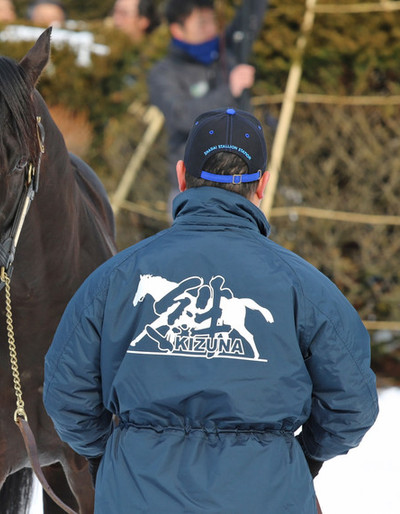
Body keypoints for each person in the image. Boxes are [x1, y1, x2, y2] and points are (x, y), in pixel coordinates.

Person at [43, 108, 379, 512]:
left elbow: (66, 392)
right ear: (263, 185)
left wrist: (113, 455)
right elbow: (353, 401)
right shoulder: (307, 289)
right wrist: (299, 456)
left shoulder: (113, 279)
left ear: (182, 176)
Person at [148, 0, 268, 206]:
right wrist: (229, 90)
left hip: (242, 186)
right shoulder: (164, 72)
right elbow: (181, 115)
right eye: (201, 23)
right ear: (177, 29)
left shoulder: (227, 52)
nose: (211, 28)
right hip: (192, 188)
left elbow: (250, 15)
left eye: (213, 20)